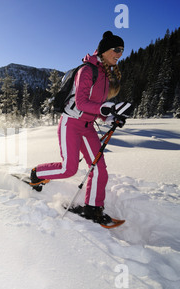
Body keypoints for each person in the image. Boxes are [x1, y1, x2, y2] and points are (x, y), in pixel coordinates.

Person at [30, 31, 130, 225]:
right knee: (69, 168)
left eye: (122, 51)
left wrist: (110, 117)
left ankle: (92, 208)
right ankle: (37, 174)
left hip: (88, 126)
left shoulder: (105, 74)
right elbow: (82, 103)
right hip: (71, 124)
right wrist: (104, 108)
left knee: (99, 168)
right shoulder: (87, 70)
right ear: (104, 50)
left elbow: (98, 106)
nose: (119, 54)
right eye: (116, 49)